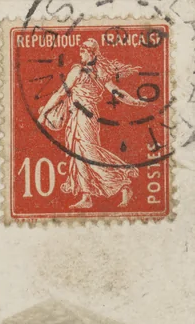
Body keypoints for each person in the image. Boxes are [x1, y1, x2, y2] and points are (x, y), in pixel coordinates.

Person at [37, 38, 147, 210]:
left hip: (86, 116)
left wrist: (134, 101)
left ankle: (123, 179)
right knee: (78, 154)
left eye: (83, 50)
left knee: (90, 153)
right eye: (80, 50)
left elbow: (116, 92)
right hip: (77, 116)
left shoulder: (90, 72)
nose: (80, 53)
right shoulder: (84, 71)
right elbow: (61, 93)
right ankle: (86, 196)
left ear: (92, 52)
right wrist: (44, 113)